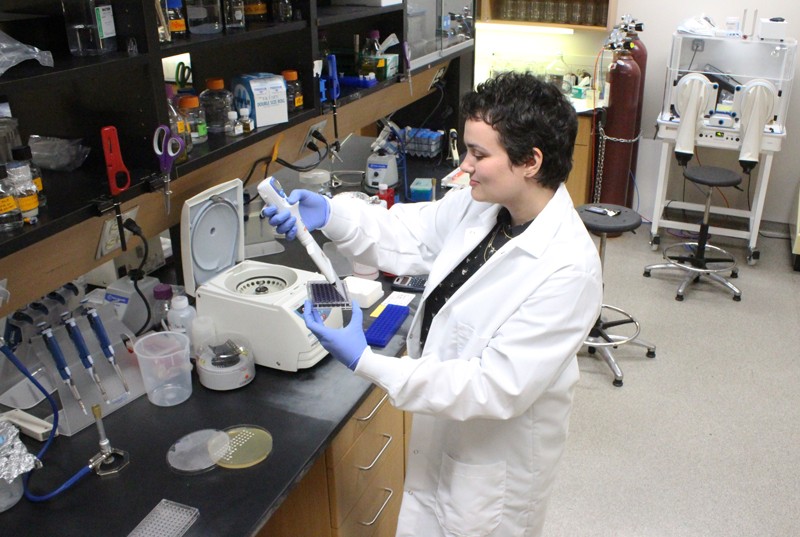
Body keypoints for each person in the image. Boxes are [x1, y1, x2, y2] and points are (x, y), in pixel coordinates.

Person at [262, 71, 603, 536]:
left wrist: (367, 361)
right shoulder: (483, 204)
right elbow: (412, 232)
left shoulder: (568, 269)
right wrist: (331, 214)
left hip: (492, 468)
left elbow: (492, 387)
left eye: (480, 154)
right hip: (442, 433)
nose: (464, 166)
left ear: (531, 161)